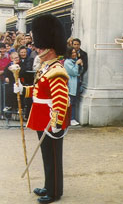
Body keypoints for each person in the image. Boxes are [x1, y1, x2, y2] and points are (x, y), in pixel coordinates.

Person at [14, 14, 70, 203]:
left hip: (50, 119)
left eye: (40, 45)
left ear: (50, 48)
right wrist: (24, 90)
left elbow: (60, 99)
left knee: (53, 156)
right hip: (41, 117)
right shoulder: (45, 67)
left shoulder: (56, 70)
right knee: (47, 155)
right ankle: (49, 185)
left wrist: (56, 122)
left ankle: (54, 192)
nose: (36, 48)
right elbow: (40, 92)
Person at [64, 47, 83, 126]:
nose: (74, 54)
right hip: (71, 84)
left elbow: (80, 71)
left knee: (74, 102)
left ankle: (73, 118)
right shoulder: (67, 62)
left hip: (76, 83)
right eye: (72, 53)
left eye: (75, 52)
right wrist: (76, 64)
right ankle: (70, 118)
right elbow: (74, 72)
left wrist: (80, 65)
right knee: (71, 102)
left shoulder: (74, 61)